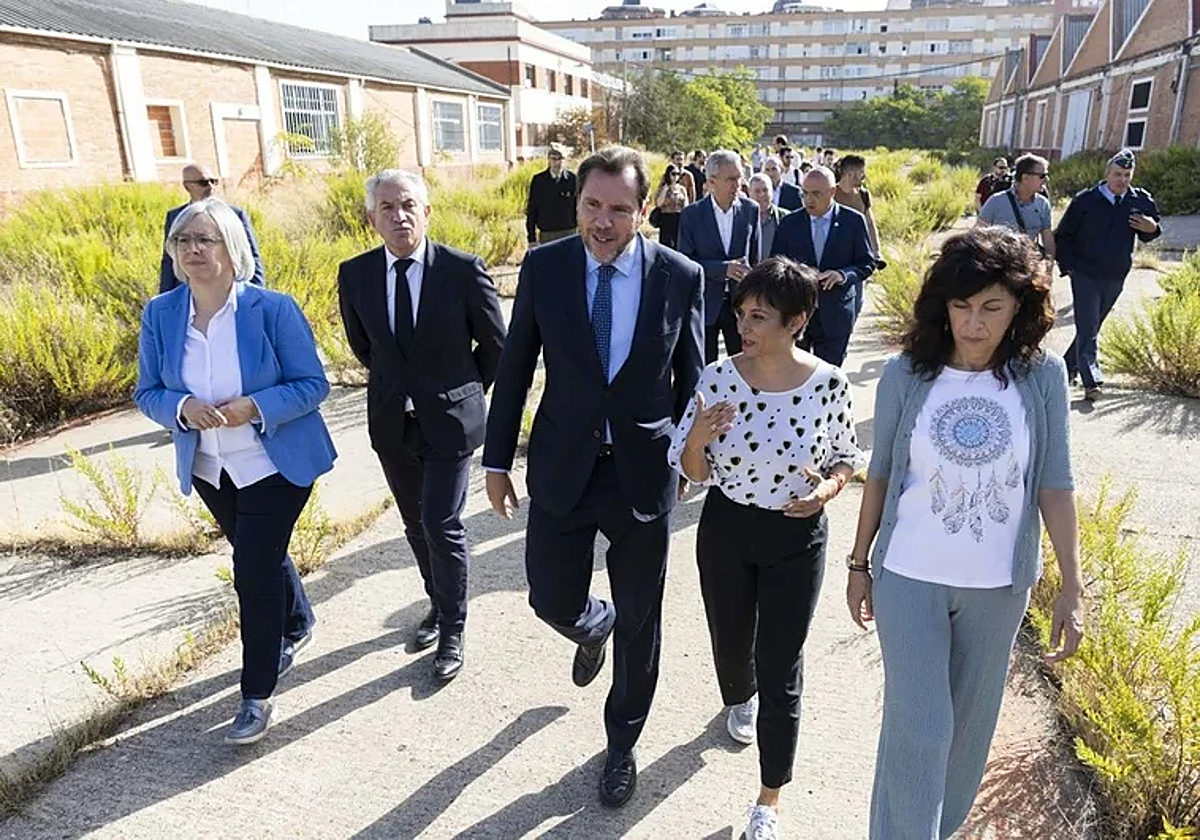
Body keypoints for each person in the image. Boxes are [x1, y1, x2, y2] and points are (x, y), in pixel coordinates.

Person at [482, 145, 704, 808]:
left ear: (644, 210)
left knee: (644, 622)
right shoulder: (546, 268)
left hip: (643, 471)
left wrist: (694, 454)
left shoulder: (679, 275)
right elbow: (516, 365)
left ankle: (621, 744)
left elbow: (693, 375)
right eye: (591, 207)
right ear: (576, 204)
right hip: (562, 465)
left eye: (618, 210)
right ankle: (590, 624)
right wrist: (496, 462)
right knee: (549, 597)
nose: (603, 223)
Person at [845, 226, 1084, 840]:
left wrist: (1072, 588)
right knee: (920, 726)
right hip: (909, 577)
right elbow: (880, 475)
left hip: (998, 586)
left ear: (1020, 308)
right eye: (960, 306)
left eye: (991, 308)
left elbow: (1055, 484)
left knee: (968, 733)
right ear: (941, 306)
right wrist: (859, 562)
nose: (973, 323)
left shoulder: (1044, 378)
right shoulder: (907, 374)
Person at [668, 256, 865, 840]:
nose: (744, 327)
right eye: (740, 314)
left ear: (797, 320)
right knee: (733, 647)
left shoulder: (828, 382)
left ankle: (769, 799)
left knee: (782, 666)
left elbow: (847, 457)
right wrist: (698, 440)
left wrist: (827, 490)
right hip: (726, 529)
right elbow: (690, 469)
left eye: (759, 316)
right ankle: (737, 695)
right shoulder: (717, 377)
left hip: (795, 537)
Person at [134, 198, 336, 745]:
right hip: (208, 467)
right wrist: (180, 408)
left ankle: (256, 694)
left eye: (206, 240)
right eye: (183, 241)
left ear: (232, 247)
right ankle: (298, 622)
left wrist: (255, 406)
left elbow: (314, 384)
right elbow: (147, 391)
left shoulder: (271, 309)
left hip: (272, 462)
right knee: (257, 553)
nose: (193, 250)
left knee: (252, 569)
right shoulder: (161, 313)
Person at [337, 169, 507, 681]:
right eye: (387, 208)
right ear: (372, 219)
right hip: (393, 424)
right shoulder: (356, 274)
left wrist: (460, 391)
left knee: (441, 523)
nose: (399, 215)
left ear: (426, 212)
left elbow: (496, 346)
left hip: (450, 423)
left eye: (408, 204)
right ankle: (437, 603)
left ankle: (453, 626)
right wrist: (403, 390)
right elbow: (364, 347)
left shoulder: (461, 270)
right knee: (414, 526)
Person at [1054, 148, 1161, 401]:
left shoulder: (1139, 199)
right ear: (1107, 174)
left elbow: (1153, 228)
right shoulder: (1086, 200)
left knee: (1091, 326)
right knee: (1089, 324)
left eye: (1127, 174)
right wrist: (1069, 267)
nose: (1121, 179)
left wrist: (1152, 227)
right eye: (1117, 174)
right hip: (1085, 273)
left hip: (1115, 275)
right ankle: (1092, 382)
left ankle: (1065, 367)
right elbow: (1064, 235)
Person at [770, 166, 875, 366]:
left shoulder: (852, 221)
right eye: (805, 193)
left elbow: (866, 263)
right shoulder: (789, 223)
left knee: (829, 378)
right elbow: (776, 263)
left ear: (832, 192)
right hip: (797, 314)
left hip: (836, 315)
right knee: (795, 375)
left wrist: (842, 275)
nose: (809, 200)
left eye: (816, 194)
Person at [678, 150, 761, 363]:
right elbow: (685, 263)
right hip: (705, 303)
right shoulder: (692, 215)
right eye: (731, 179)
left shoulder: (751, 210)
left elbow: (755, 258)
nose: (737, 185)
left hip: (741, 307)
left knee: (744, 366)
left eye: (739, 178)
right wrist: (723, 269)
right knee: (705, 367)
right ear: (712, 181)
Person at [160, 164, 264, 293]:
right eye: (203, 182)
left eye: (214, 181)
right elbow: (169, 261)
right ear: (187, 186)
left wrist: (258, 293)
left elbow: (250, 255)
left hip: (229, 293)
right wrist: (165, 297)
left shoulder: (234, 214)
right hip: (188, 294)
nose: (210, 186)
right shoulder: (175, 217)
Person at [977, 153, 1055, 264]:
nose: (1046, 179)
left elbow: (1048, 240)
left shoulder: (1043, 204)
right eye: (1042, 175)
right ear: (1025, 177)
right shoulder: (996, 201)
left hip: (1028, 267)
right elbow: (977, 234)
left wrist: (1048, 266)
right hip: (999, 267)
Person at [526, 143, 578, 245]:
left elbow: (579, 207)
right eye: (554, 159)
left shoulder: (572, 179)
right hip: (547, 234)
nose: (557, 163)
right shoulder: (539, 181)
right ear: (549, 160)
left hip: (569, 233)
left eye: (560, 159)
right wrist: (531, 238)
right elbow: (532, 210)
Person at [834, 154, 880, 259]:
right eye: (862, 173)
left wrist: (876, 251)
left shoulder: (863, 195)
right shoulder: (830, 194)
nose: (864, 177)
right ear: (850, 175)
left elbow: (870, 223)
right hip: (835, 254)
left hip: (859, 254)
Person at [748, 173, 787, 260]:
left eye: (765, 190)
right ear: (749, 193)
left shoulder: (785, 217)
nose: (762, 195)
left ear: (772, 192)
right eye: (757, 191)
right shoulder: (743, 218)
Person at [654, 163, 689, 249]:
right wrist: (666, 189)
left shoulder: (682, 189)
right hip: (666, 218)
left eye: (678, 174)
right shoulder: (663, 188)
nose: (675, 176)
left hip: (678, 218)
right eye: (673, 174)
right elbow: (658, 203)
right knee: (666, 245)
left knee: (678, 244)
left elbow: (686, 205)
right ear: (668, 175)